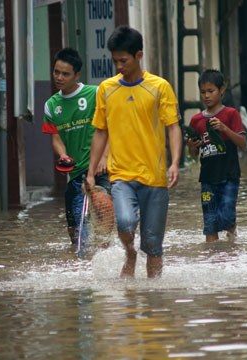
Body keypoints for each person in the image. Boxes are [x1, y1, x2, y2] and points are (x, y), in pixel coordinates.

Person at [85, 26, 182, 278]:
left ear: (139, 55)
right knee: (125, 223)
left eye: (123, 60)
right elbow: (100, 132)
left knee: (153, 246)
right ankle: (129, 252)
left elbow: (173, 127)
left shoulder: (159, 87)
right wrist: (91, 171)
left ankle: (153, 298)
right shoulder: (106, 89)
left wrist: (174, 163)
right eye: (115, 60)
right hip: (121, 176)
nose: (118, 65)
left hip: (155, 177)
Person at [42, 48, 110, 246]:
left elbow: (109, 128)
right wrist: (63, 154)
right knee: (74, 231)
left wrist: (104, 157)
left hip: (101, 169)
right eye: (56, 72)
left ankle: (106, 256)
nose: (59, 77)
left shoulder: (96, 93)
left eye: (65, 74)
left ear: (77, 75)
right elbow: (56, 138)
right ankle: (79, 263)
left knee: (104, 218)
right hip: (74, 173)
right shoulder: (51, 105)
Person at [187, 69, 247, 243]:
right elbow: (193, 155)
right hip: (207, 180)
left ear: (222, 90)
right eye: (203, 92)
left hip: (229, 177)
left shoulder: (230, 114)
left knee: (227, 215)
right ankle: (212, 260)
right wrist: (192, 146)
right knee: (210, 220)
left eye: (211, 91)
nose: (206, 96)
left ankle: (232, 228)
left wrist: (224, 129)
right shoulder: (196, 121)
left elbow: (242, 143)